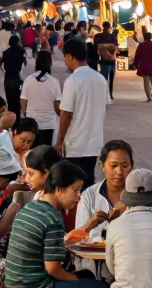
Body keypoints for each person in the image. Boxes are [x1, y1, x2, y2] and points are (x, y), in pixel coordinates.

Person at [4, 160, 108, 288]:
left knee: (87, 279)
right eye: (76, 190)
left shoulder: (30, 209)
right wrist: (72, 279)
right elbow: (52, 268)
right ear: (59, 189)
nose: (78, 197)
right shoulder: (52, 218)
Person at [70, 139, 134, 272]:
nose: (119, 172)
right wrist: (91, 224)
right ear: (102, 165)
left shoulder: (139, 196)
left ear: (132, 167)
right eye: (113, 165)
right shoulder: (89, 195)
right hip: (95, 265)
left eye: (124, 165)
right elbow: (77, 240)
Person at [55, 38, 109, 186]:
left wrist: (59, 141)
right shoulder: (100, 79)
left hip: (75, 144)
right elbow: (104, 105)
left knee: (74, 183)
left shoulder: (73, 80)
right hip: (94, 142)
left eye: (65, 57)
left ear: (70, 56)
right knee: (88, 180)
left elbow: (66, 114)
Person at [20, 50, 62, 146]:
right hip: (49, 124)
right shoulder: (54, 82)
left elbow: (23, 102)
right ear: (50, 63)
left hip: (32, 124)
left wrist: (27, 114)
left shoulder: (28, 80)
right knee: (46, 153)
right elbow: (56, 107)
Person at [131, 30, 152, 101]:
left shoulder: (141, 45)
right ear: (151, 37)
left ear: (144, 37)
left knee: (146, 83)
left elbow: (137, 56)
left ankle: (149, 97)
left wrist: (135, 64)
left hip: (144, 66)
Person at [0, 34, 27, 117]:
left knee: (10, 100)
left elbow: (1, 65)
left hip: (8, 79)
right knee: (18, 99)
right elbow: (25, 63)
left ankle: (11, 117)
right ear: (18, 42)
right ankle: (17, 117)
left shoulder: (5, 53)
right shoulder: (21, 51)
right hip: (18, 80)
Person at [97, 22, 118, 99]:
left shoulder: (98, 36)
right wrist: (109, 46)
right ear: (109, 27)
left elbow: (97, 46)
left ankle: (106, 94)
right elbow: (115, 47)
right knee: (110, 79)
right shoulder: (112, 37)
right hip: (110, 61)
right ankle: (109, 94)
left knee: (104, 78)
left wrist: (104, 46)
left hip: (104, 60)